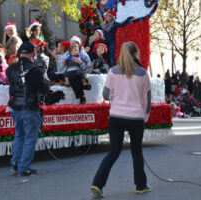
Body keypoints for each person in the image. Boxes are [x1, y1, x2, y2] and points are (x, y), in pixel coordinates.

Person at [91, 42, 151, 198]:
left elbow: (106, 95)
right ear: (136, 53)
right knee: (136, 151)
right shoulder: (143, 73)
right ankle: (141, 185)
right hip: (136, 117)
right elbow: (147, 98)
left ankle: (97, 184)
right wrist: (145, 116)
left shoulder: (112, 71)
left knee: (114, 152)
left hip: (116, 116)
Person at [7, 42, 50, 176]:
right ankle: (24, 167)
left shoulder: (10, 69)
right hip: (30, 107)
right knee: (30, 138)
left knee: (19, 135)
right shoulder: (34, 70)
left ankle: (15, 163)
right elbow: (44, 89)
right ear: (33, 54)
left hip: (15, 107)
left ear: (19, 54)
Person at [58, 35, 92, 104]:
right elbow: (60, 68)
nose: (72, 45)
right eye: (71, 44)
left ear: (79, 44)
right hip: (70, 73)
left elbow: (89, 69)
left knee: (76, 76)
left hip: (80, 73)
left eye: (74, 44)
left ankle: (82, 95)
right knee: (72, 76)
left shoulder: (83, 55)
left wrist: (81, 62)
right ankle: (82, 96)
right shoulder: (67, 55)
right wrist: (64, 63)